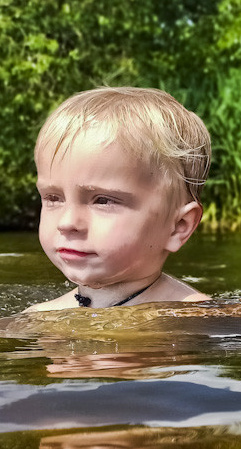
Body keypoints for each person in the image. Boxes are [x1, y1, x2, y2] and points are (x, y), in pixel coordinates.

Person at [24, 86, 211, 312]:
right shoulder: (38, 315)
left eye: (102, 201)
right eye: (53, 198)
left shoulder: (195, 315)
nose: (67, 223)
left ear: (177, 227)